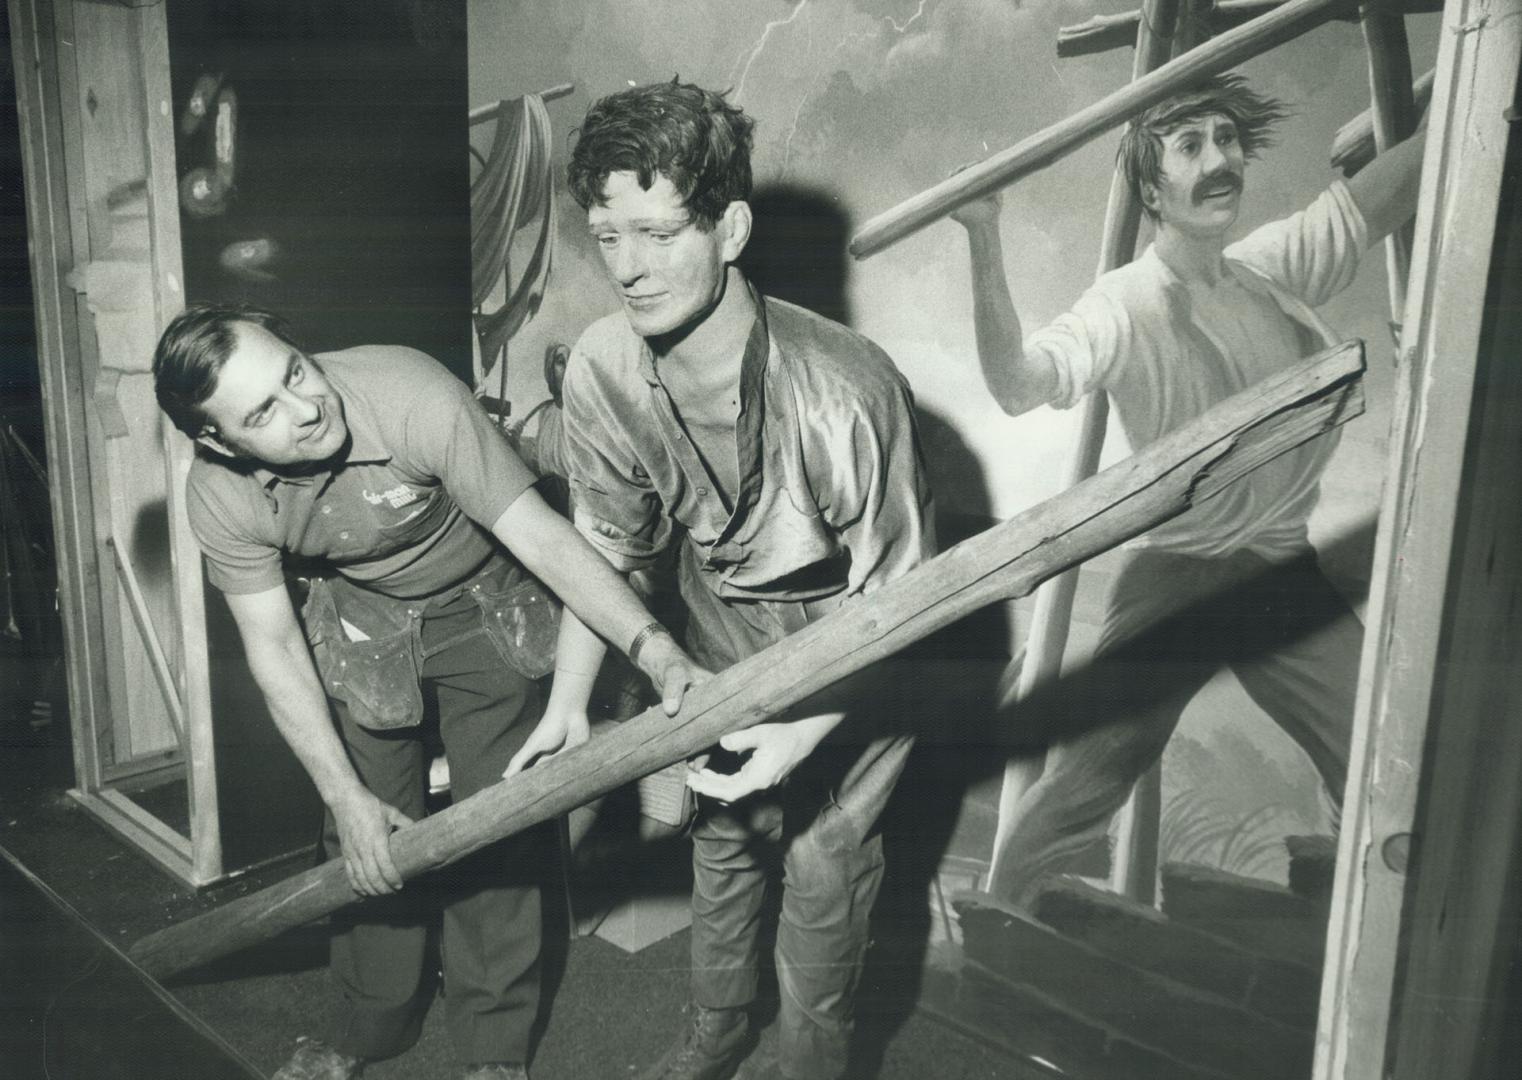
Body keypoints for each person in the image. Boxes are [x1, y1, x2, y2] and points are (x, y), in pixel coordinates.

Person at [152, 304, 703, 1080]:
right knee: (368, 839)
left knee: (501, 826)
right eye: (264, 412)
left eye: (295, 371)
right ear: (218, 441)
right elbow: (272, 645)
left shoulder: (410, 391)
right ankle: (367, 1025)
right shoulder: (219, 497)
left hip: (487, 605)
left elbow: (544, 540)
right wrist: (344, 795)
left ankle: (493, 1048)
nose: (308, 408)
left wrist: (655, 649)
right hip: (360, 619)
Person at [524, 79, 934, 1080]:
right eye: (606, 232)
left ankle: (807, 1063)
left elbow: (903, 608)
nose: (627, 267)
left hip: (857, 648)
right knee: (724, 845)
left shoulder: (847, 389)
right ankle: (714, 1033)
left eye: (659, 233)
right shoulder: (603, 370)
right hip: (718, 628)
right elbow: (606, 549)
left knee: (823, 878)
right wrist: (572, 700)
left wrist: (799, 730)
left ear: (730, 227)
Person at [950, 74, 1425, 904]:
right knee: (1086, 783)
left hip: (1278, 573)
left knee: (1380, 757)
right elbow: (1020, 385)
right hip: (1180, 575)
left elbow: (1374, 202)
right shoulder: (1123, 305)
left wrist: (1482, 99)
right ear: (1150, 187)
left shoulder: (1267, 268)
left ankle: (1379, 927)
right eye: (1192, 146)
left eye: (1228, 140)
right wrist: (985, 240)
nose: (1221, 163)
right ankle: (1005, 914)